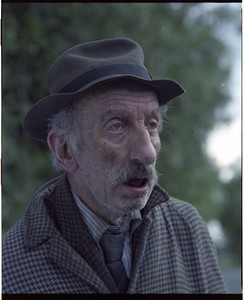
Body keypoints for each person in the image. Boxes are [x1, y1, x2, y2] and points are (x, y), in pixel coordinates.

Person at [2, 38, 227, 294]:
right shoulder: (10, 266)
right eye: (116, 126)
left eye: (151, 124)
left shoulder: (187, 227)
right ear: (65, 149)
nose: (148, 152)